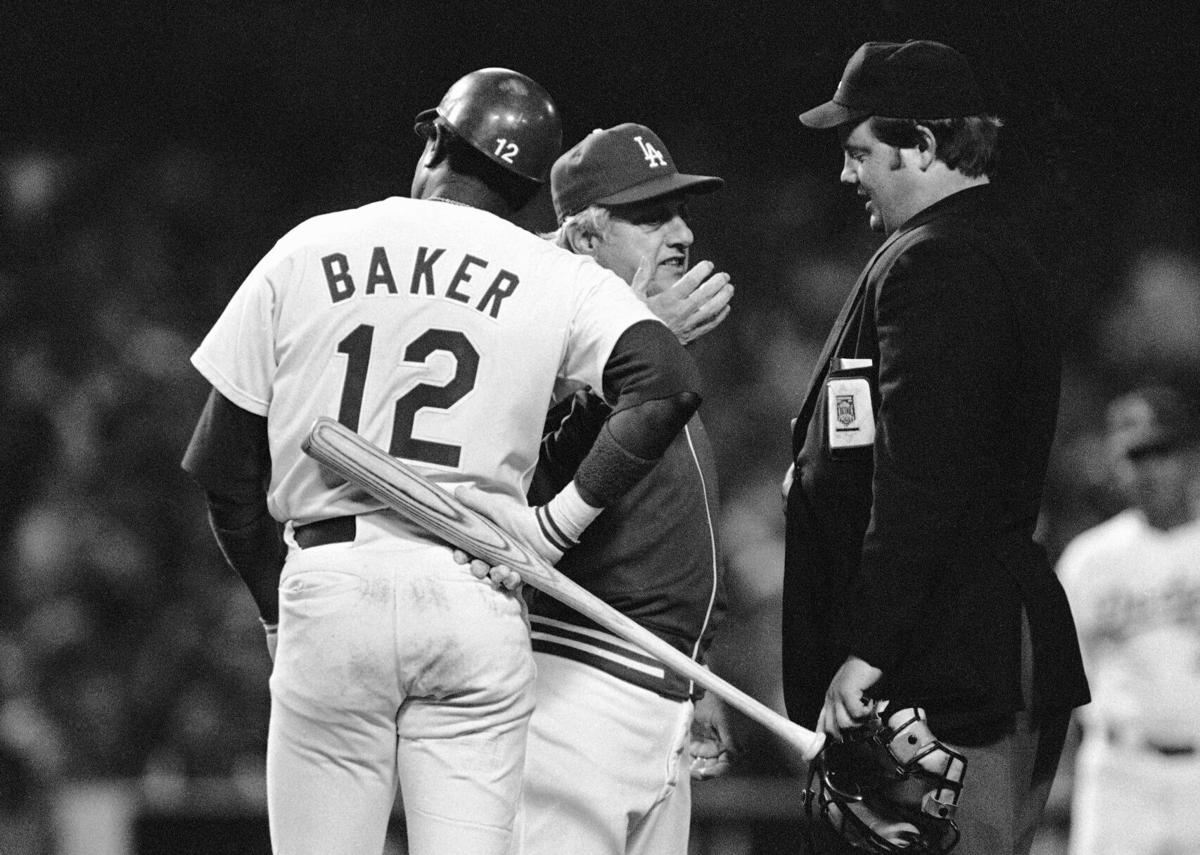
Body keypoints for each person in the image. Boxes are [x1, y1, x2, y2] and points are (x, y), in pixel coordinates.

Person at [180, 68, 705, 855]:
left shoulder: (313, 243)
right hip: (474, 589)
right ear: (533, 185)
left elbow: (222, 466)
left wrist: (272, 605)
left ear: (435, 140)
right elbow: (668, 380)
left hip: (333, 578)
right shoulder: (553, 273)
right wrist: (551, 531)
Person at [782, 40, 1090, 854]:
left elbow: (924, 473)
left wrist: (871, 645)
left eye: (861, 151)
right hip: (959, 642)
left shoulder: (941, 260)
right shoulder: (977, 247)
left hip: (949, 656)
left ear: (921, 142)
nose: (848, 176)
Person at [514, 123, 734, 855]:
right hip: (574, 684)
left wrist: (698, 672)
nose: (682, 233)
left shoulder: (652, 350)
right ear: (581, 238)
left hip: (657, 692)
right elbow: (521, 465)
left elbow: (684, 527)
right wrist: (633, 351)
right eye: (649, 216)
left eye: (679, 210)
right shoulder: (526, 330)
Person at [1058, 384, 1200, 855]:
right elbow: (1063, 678)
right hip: (1120, 773)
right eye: (1133, 455)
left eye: (1160, 451)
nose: (1147, 469)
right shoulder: (1089, 560)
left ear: (1188, 455)